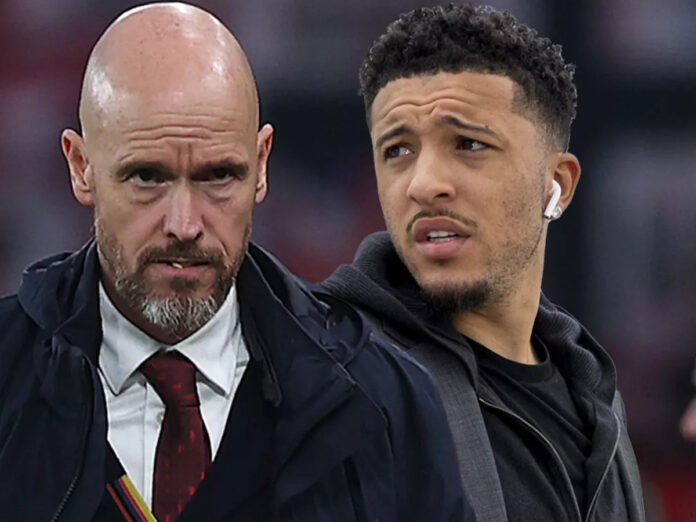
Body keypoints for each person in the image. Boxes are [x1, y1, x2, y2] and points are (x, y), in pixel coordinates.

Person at [0, 3, 471, 521]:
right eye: (147, 177)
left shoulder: (389, 405)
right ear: (81, 167)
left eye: (219, 176)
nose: (184, 224)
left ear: (261, 164)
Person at [322, 4, 645, 522]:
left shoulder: (596, 395)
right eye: (397, 150)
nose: (424, 184)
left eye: (469, 144)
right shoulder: (327, 373)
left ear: (557, 184)